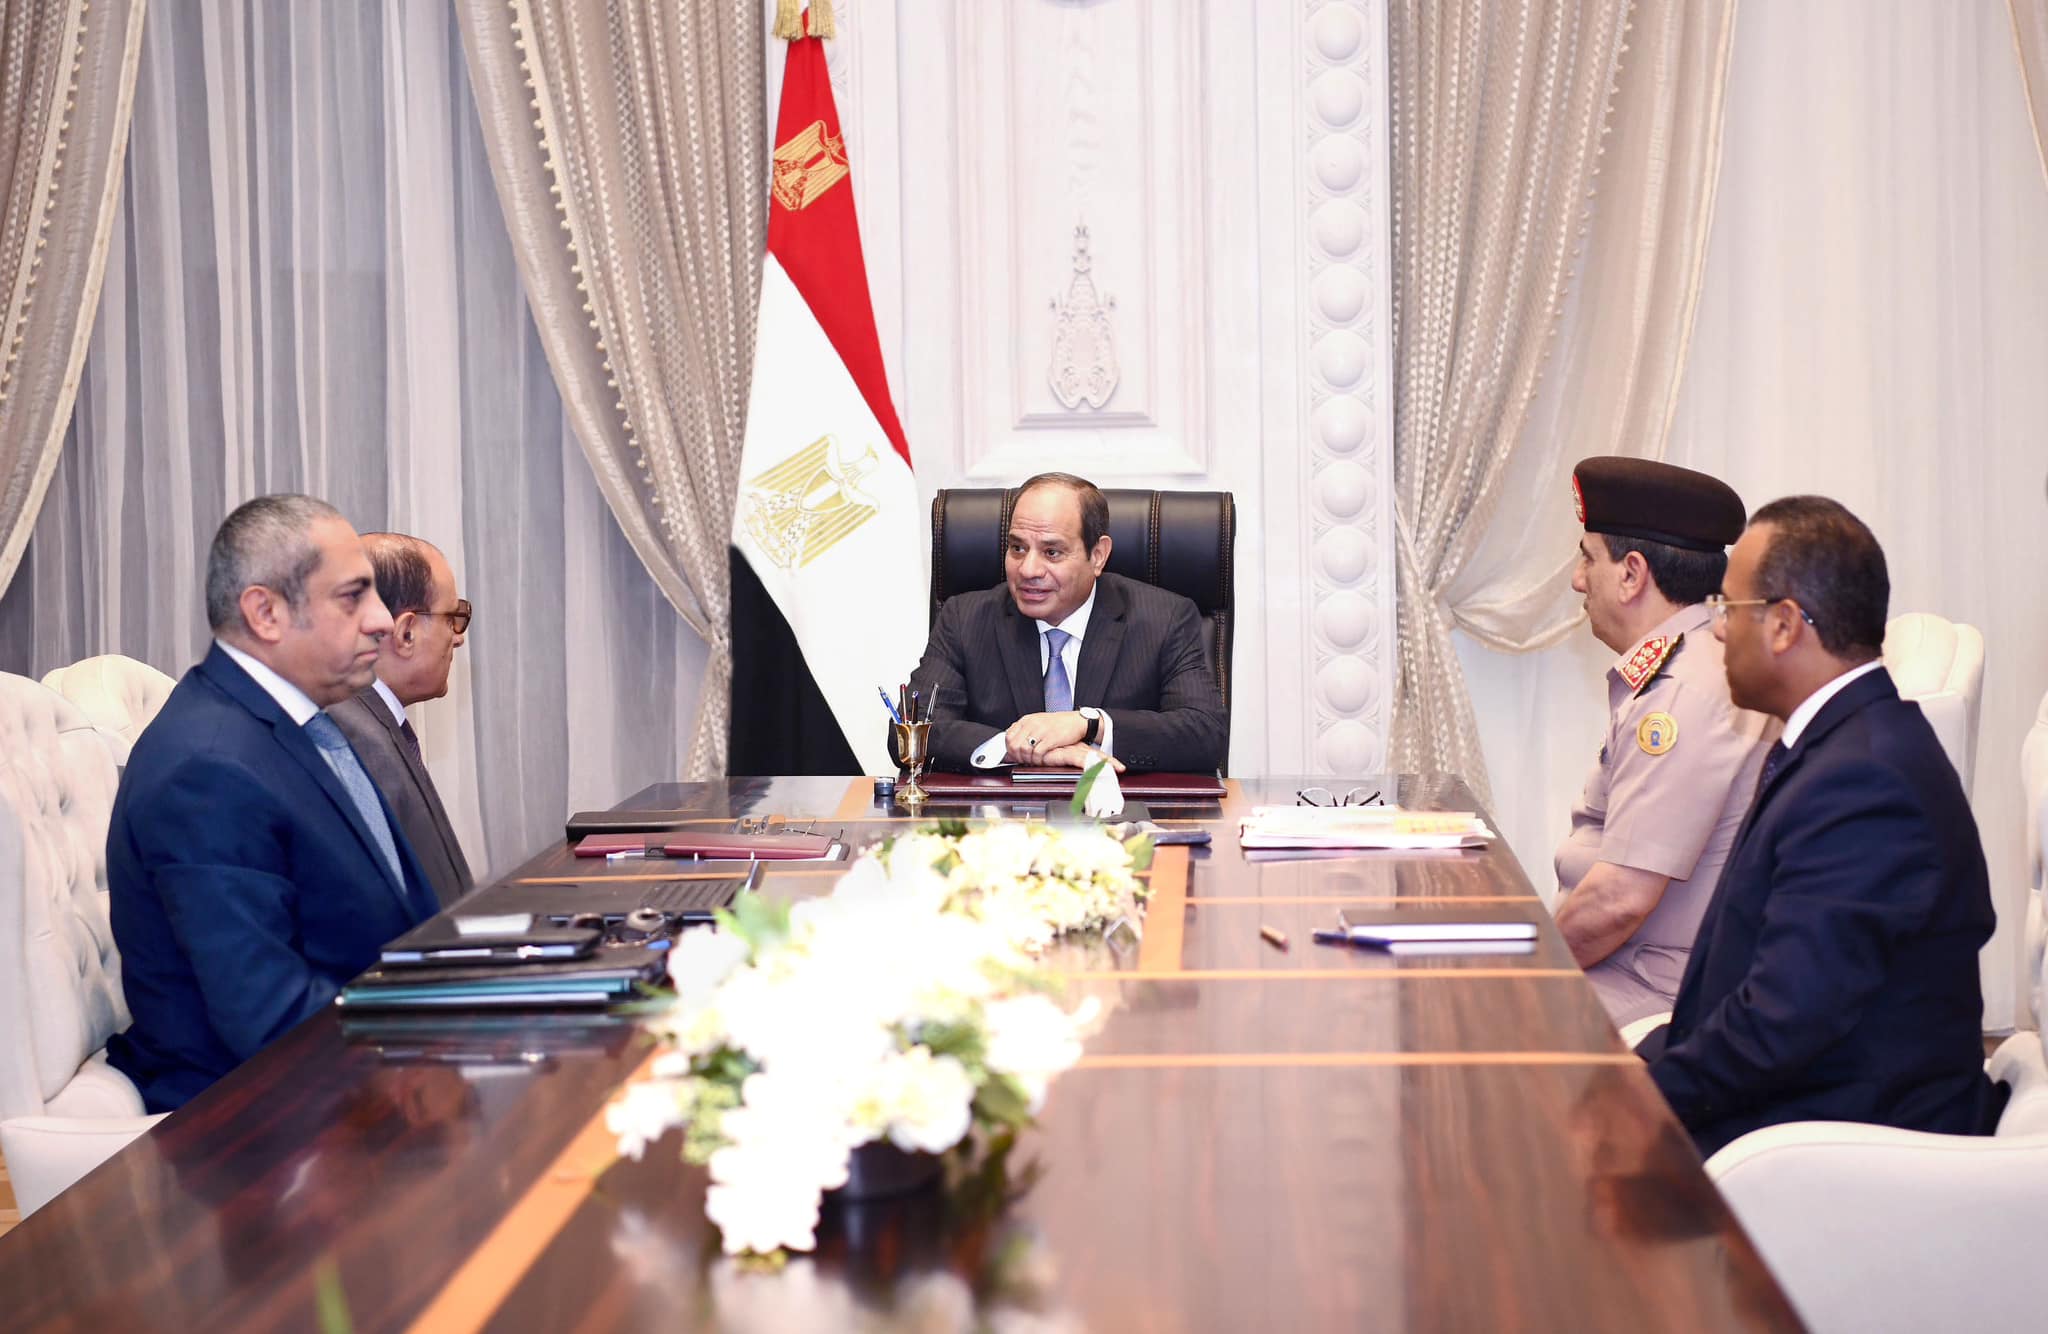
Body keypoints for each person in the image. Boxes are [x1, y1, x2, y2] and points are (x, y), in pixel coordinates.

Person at [1644, 495, 2006, 1156]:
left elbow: (1780, 1022)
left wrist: (1632, 1102)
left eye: (1728, 608)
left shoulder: (1865, 780)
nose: (1717, 631)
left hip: (1837, 1150)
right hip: (1800, 1113)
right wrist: (1634, 1069)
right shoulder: (1842, 746)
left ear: (1784, 625)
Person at [106, 495, 439, 1111]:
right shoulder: (207, 767)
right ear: (265, 613)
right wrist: (442, 1052)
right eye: (353, 596)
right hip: (264, 1120)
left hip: (364, 1066)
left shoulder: (295, 725)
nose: (381, 620)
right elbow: (268, 1013)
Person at [1553, 457, 1780, 1030]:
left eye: (1588, 558)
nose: (1578, 580)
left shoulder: (1680, 692)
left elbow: (1619, 901)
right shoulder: (1692, 665)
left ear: (1632, 574)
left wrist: (1522, 975)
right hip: (1624, 968)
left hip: (1651, 990)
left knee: (1449, 1019)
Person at [901, 472, 1227, 774]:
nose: (1028, 569)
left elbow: (1205, 733)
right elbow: (910, 730)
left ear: (1097, 555)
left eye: (1052, 552)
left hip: (1121, 812)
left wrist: (1091, 724)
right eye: (1017, 548)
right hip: (1001, 813)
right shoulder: (965, 619)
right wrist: (1021, 748)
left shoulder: (1164, 618)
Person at [329, 532, 475, 907]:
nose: (458, 639)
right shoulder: (355, 742)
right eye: (453, 618)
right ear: (406, 632)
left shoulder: (367, 720)